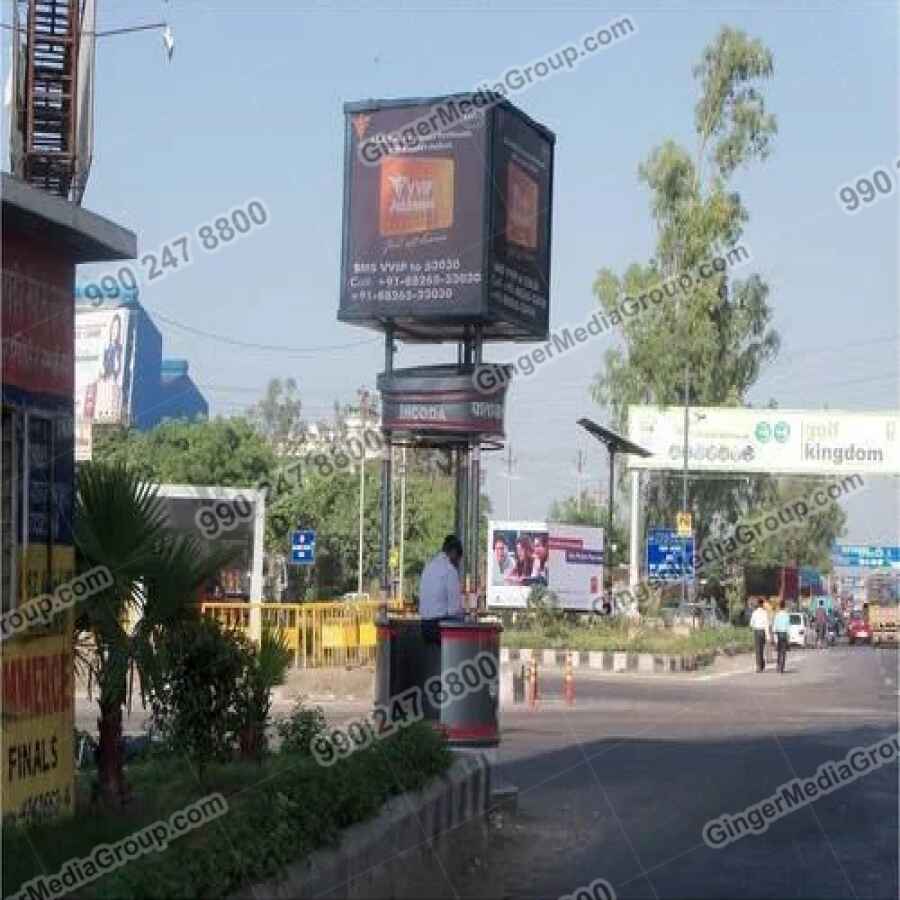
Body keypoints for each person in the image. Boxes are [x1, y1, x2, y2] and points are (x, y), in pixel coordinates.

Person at [419, 534, 465, 644]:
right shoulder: (450, 571)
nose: (458, 563)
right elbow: (454, 609)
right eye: (458, 559)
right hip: (440, 629)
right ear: (453, 552)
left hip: (424, 626)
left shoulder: (428, 566)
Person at [749, 598, 769, 673]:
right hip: (763, 632)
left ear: (758, 604)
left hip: (757, 631)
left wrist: (754, 627)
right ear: (762, 604)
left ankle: (759, 666)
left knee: (758, 650)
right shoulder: (765, 613)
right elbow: (766, 624)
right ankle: (761, 663)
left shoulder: (754, 613)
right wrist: (768, 636)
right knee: (762, 649)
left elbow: (751, 624)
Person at [772, 599, 790, 674]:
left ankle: (778, 666)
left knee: (779, 651)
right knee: (783, 651)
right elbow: (788, 627)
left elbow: (774, 627)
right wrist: (788, 637)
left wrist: (774, 636)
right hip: (784, 634)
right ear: (785, 606)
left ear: (779, 606)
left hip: (778, 634)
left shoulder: (777, 615)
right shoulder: (786, 615)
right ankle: (781, 667)